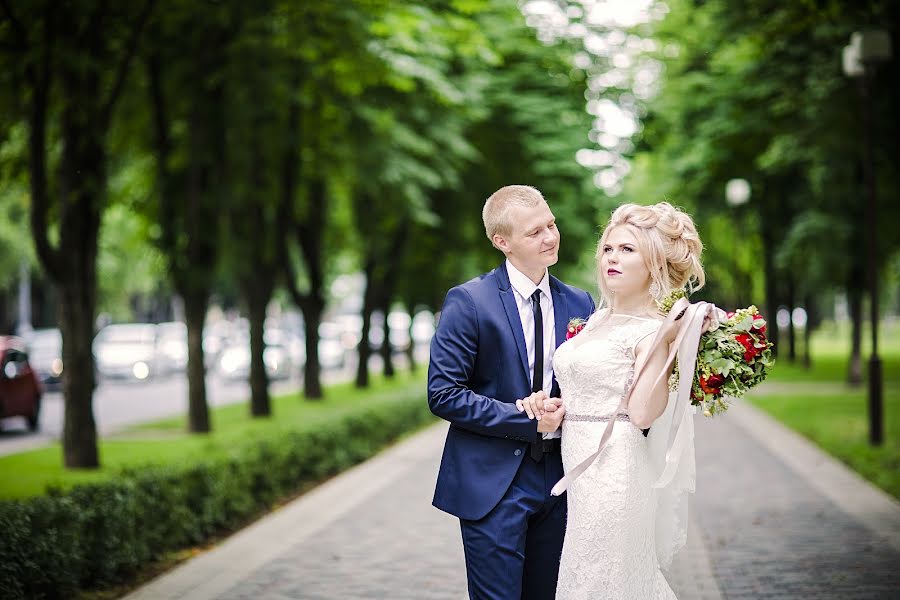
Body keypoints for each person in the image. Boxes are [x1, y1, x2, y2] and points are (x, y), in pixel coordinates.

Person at [530, 202, 708, 599]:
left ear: (654, 262)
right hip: (579, 469)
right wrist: (553, 408)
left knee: (606, 577)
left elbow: (643, 412)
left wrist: (663, 342)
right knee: (586, 574)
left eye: (627, 250)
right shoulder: (595, 320)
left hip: (616, 471)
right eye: (609, 249)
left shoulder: (650, 332)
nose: (613, 257)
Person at [428, 185, 595, 600]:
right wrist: (525, 417)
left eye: (551, 224)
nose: (551, 237)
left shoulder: (580, 302)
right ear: (502, 242)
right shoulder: (469, 302)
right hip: (494, 483)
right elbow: (443, 393)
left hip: (561, 480)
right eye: (535, 231)